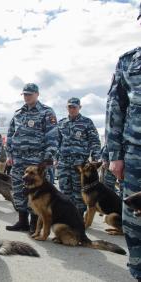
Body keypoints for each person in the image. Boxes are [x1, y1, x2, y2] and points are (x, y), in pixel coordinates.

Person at [106, 4, 141, 279]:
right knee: (134, 220)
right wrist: (115, 155)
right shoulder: (128, 62)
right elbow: (115, 109)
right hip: (135, 156)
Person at [5, 83, 58, 233]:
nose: (27, 97)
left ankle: (35, 224)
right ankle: (22, 222)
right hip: (18, 159)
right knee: (18, 190)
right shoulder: (18, 113)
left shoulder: (47, 112)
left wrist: (48, 157)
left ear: (37, 94)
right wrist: (9, 154)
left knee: (36, 192)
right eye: (25, 94)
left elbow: (52, 135)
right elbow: (10, 135)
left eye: (30, 94)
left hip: (37, 160)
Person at [56, 97, 101, 217]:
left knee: (78, 191)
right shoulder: (61, 123)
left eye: (74, 107)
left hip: (80, 165)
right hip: (64, 163)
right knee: (64, 190)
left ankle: (79, 216)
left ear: (79, 107)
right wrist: (55, 158)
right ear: (67, 107)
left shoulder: (87, 122)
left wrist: (96, 158)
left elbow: (95, 141)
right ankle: (67, 216)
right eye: (69, 107)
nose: (72, 109)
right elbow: (56, 141)